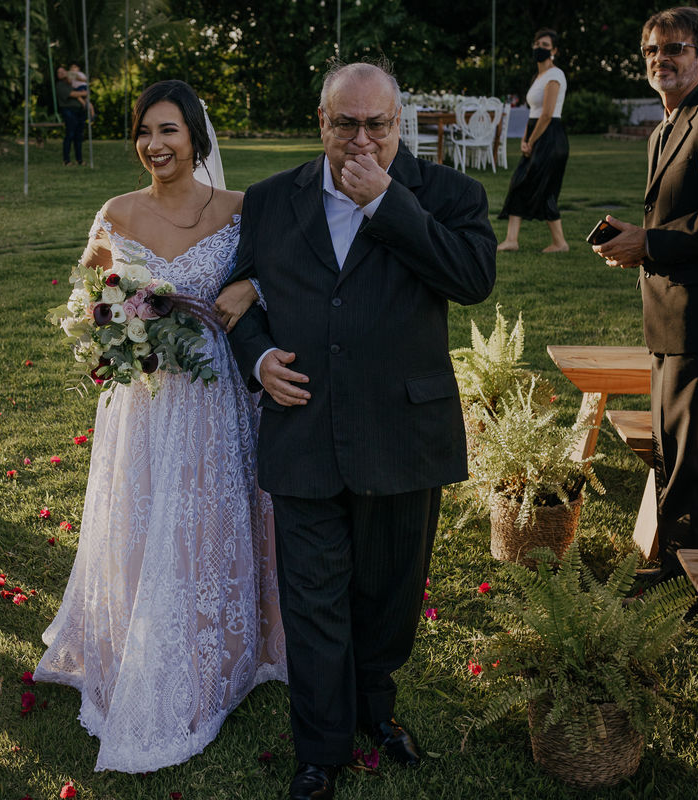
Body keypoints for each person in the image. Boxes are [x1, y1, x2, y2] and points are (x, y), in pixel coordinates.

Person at [225, 60, 496, 800]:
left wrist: (388, 205)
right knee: (313, 599)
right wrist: (257, 360)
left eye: (377, 124)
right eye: (346, 124)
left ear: (398, 124)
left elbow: (472, 279)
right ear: (321, 123)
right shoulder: (273, 200)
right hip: (302, 428)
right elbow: (237, 296)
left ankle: (376, 707)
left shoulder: (447, 195)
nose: (361, 139)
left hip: (403, 434)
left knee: (388, 595)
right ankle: (319, 750)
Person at [34, 79, 287, 773]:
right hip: (141, 399)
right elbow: (88, 295)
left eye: (169, 130)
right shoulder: (115, 212)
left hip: (217, 395)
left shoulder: (241, 210)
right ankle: (137, 639)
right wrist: (109, 326)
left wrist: (252, 284)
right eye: (146, 131)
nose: (155, 144)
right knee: (144, 518)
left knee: (209, 518)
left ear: (196, 139)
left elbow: (294, 267)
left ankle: (218, 647)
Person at [592, 7, 698, 587]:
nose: (660, 59)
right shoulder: (667, 126)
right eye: (651, 51)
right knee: (672, 453)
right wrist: (635, 243)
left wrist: (653, 242)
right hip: (671, 319)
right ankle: (683, 569)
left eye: (675, 48)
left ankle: (690, 582)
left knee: (694, 459)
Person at [497, 28, 570, 253]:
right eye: (537, 44)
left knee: (544, 188)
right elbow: (534, 113)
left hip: (550, 137)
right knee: (520, 182)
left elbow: (547, 114)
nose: (540, 48)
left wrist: (532, 140)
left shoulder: (555, 75)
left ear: (554, 51)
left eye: (546, 45)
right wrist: (525, 139)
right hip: (537, 133)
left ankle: (560, 243)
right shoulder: (538, 77)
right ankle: (511, 240)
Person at [55, 64, 87, 166]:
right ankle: (67, 160)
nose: (61, 74)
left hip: (79, 110)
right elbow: (73, 94)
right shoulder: (60, 85)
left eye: (63, 71)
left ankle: (79, 160)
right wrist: (83, 93)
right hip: (68, 110)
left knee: (78, 136)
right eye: (59, 72)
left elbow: (82, 86)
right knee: (70, 134)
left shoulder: (72, 83)